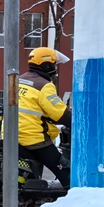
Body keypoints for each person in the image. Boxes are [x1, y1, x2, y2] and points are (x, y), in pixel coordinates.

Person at [18, 47, 72, 189]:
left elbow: (33, 108)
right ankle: (75, 193)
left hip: (12, 135)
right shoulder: (44, 86)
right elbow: (59, 113)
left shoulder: (19, 80)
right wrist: (78, 122)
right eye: (54, 64)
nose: (55, 68)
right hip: (32, 137)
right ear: (47, 65)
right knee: (61, 166)